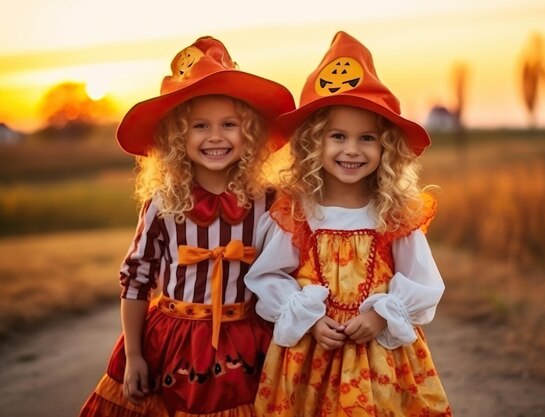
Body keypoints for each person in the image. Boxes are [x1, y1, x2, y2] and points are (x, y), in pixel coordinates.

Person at [78, 35, 295, 417]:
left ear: (250, 133)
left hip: (245, 339)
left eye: (229, 124)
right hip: (173, 339)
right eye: (200, 126)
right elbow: (136, 278)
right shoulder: (163, 204)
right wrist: (133, 354)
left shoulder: (269, 202)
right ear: (178, 138)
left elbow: (290, 271)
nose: (215, 136)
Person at [244, 31, 452, 417]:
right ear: (312, 143)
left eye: (367, 138)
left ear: (386, 148)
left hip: (380, 358)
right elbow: (269, 277)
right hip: (311, 354)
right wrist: (309, 319)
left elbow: (424, 282)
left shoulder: (393, 213)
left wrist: (379, 316)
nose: (352, 149)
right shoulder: (298, 211)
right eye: (337, 136)